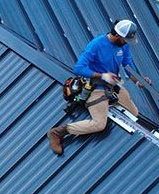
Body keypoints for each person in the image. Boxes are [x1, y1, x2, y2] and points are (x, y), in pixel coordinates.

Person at [48, 19, 152, 155]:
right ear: (118, 36)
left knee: (134, 114)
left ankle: (108, 105)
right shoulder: (97, 45)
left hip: (113, 85)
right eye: (125, 39)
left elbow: (127, 65)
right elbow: (79, 68)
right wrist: (102, 75)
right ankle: (57, 132)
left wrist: (138, 81)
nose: (127, 43)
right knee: (99, 124)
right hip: (95, 87)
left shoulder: (123, 45)